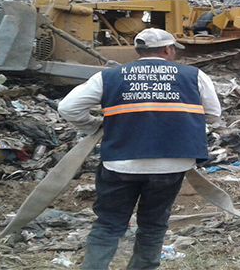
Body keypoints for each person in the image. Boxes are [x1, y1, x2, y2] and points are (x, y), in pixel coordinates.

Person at [58, 28, 221, 270]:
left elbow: (68, 108)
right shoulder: (193, 75)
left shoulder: (110, 76)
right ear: (168, 50)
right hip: (171, 164)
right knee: (154, 225)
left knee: (109, 224)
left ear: (137, 51)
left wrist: (94, 126)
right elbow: (214, 114)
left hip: (120, 162)